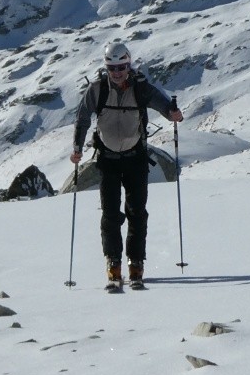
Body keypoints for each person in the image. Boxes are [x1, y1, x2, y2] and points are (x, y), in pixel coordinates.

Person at [71, 40, 183, 288]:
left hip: (135, 158)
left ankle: (136, 264)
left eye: (121, 67)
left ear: (129, 64)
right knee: (110, 214)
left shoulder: (141, 88)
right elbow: (82, 118)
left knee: (137, 212)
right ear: (106, 68)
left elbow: (162, 103)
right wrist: (77, 147)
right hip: (108, 159)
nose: (117, 72)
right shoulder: (97, 89)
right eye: (112, 68)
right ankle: (113, 263)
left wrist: (173, 114)